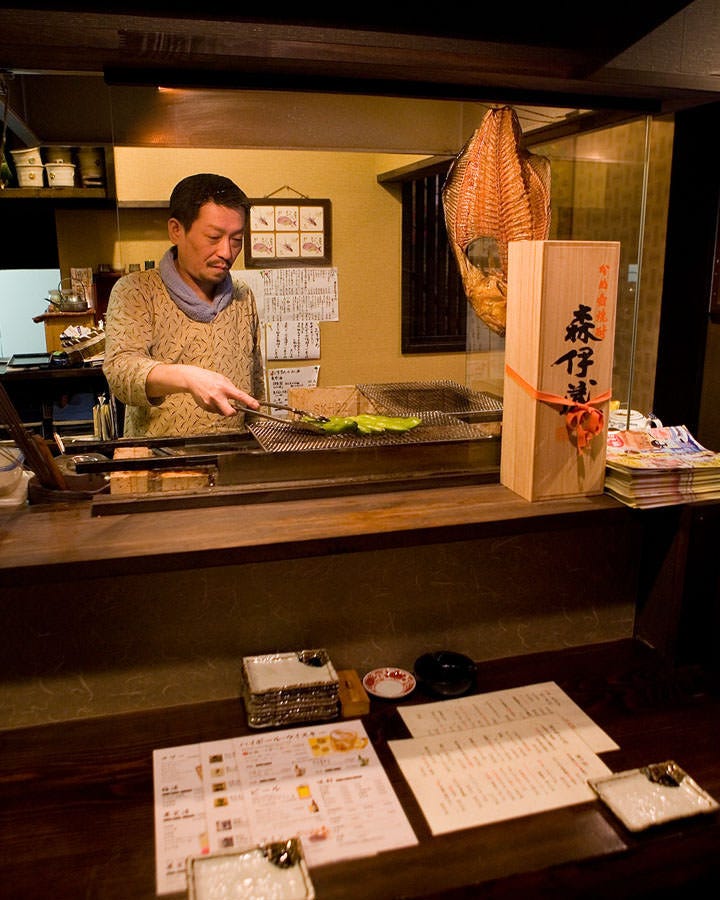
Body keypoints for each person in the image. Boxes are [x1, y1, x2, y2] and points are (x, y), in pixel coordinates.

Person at [103, 173, 264, 437]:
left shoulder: (242, 296)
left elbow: (255, 387)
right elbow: (121, 373)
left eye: (236, 240)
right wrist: (188, 378)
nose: (226, 252)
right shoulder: (138, 291)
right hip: (160, 463)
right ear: (176, 230)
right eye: (214, 237)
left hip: (234, 460)